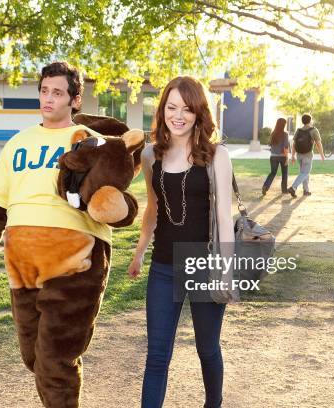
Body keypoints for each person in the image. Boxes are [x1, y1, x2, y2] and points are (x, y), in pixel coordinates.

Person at [0, 61, 137, 407]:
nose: (48, 98)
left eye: (57, 92)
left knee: (55, 360)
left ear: (75, 99)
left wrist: (121, 208)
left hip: (76, 260)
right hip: (23, 265)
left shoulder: (96, 143)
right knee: (34, 357)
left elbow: (117, 202)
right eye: (44, 91)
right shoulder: (17, 143)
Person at [127, 76, 234, 408]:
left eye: (187, 109)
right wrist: (140, 251)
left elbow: (224, 221)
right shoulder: (149, 156)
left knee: (207, 348)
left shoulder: (217, 156)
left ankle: (213, 404)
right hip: (163, 267)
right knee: (157, 356)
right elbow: (153, 207)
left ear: (199, 113)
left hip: (204, 264)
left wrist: (226, 272)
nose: (178, 116)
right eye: (171, 107)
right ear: (162, 111)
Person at [287, 114, 324, 197]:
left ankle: (306, 190)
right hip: (308, 155)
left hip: (299, 155)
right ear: (310, 121)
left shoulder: (298, 130)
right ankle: (293, 187)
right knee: (305, 172)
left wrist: (293, 156)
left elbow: (294, 144)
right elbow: (318, 143)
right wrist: (322, 154)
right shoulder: (314, 130)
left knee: (303, 173)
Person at [262, 118, 290, 195]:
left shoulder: (273, 133)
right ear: (284, 124)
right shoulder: (285, 134)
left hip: (273, 156)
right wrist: (287, 158)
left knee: (273, 172)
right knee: (284, 173)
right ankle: (284, 190)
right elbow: (286, 147)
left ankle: (265, 186)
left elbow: (271, 146)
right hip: (282, 156)